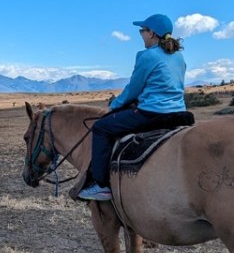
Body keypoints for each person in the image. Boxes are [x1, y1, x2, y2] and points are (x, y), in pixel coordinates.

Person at [78, 13, 186, 201]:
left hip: (153, 113)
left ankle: (101, 185)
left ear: (152, 33)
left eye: (142, 30)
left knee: (101, 128)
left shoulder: (147, 56)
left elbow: (133, 89)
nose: (141, 34)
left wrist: (114, 105)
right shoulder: (179, 57)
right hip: (179, 113)